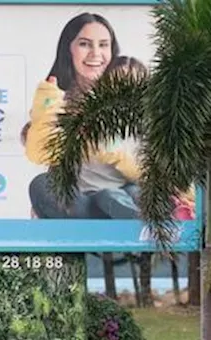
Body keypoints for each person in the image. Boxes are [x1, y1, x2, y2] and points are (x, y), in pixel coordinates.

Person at [23, 14, 144, 219]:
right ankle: (106, 218)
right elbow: (39, 152)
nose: (95, 53)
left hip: (120, 191)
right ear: (68, 49)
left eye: (103, 45)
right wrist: (49, 111)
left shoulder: (129, 87)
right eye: (85, 44)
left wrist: (116, 154)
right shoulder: (55, 97)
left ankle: (116, 213)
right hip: (79, 198)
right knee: (42, 185)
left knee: (132, 193)